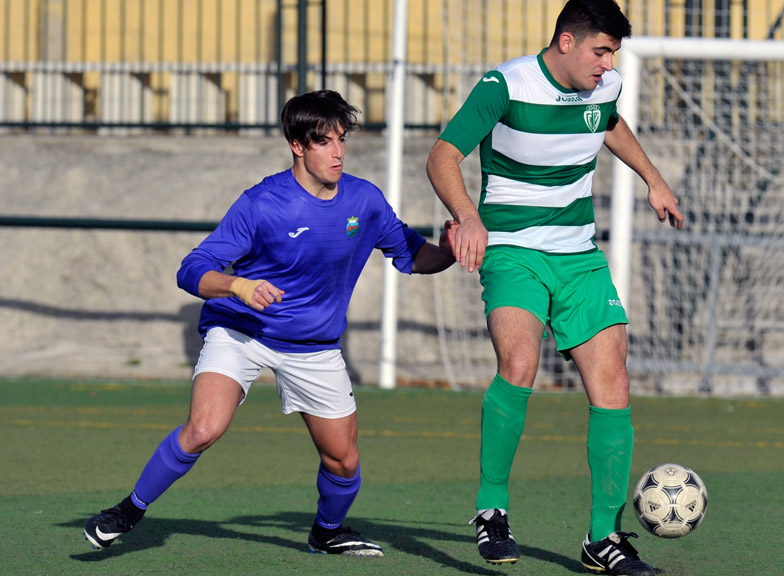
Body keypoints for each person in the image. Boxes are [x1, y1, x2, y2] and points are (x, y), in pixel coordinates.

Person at [84, 89, 458, 556]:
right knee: (203, 428)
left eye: (342, 140)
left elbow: (413, 256)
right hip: (242, 332)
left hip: (313, 346)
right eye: (324, 141)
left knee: (343, 461)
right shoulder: (262, 203)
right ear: (297, 145)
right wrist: (236, 286)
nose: (338, 152)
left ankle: (327, 533)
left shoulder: (365, 201)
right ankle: (129, 510)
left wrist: (446, 251)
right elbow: (191, 269)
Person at [426, 1, 683, 575]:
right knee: (519, 361)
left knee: (613, 380)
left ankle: (602, 538)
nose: (607, 64)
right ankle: (492, 508)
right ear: (566, 41)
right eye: (600, 51)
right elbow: (443, 154)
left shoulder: (604, 86)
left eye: (613, 53)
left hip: (578, 256)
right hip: (513, 250)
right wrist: (468, 216)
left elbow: (610, 122)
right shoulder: (506, 84)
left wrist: (654, 179)